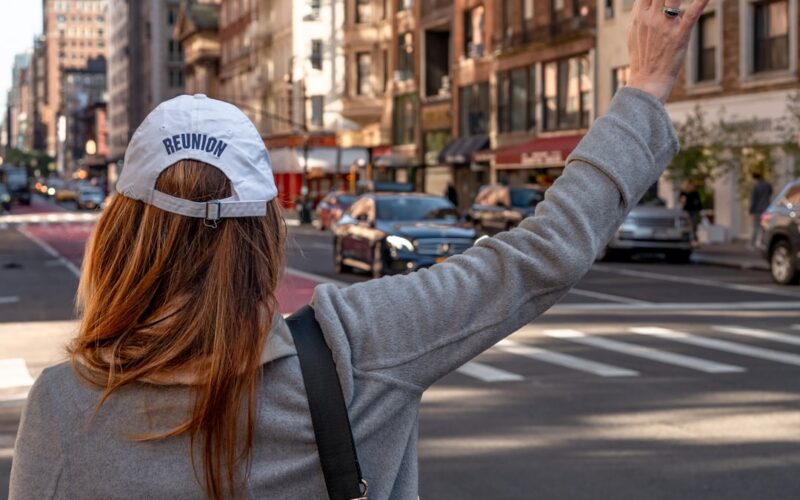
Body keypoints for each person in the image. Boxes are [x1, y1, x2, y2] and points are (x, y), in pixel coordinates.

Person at [9, 1, 709, 498]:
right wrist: (644, 85)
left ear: (123, 236)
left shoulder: (65, 409)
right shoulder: (358, 351)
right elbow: (543, 253)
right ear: (264, 232)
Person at [749, 172, 773, 247]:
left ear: (754, 178)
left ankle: (752, 244)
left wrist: (751, 209)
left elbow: (753, 199)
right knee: (764, 227)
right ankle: (763, 243)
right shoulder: (767, 185)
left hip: (757, 210)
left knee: (756, 227)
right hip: (766, 209)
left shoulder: (755, 187)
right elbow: (770, 193)